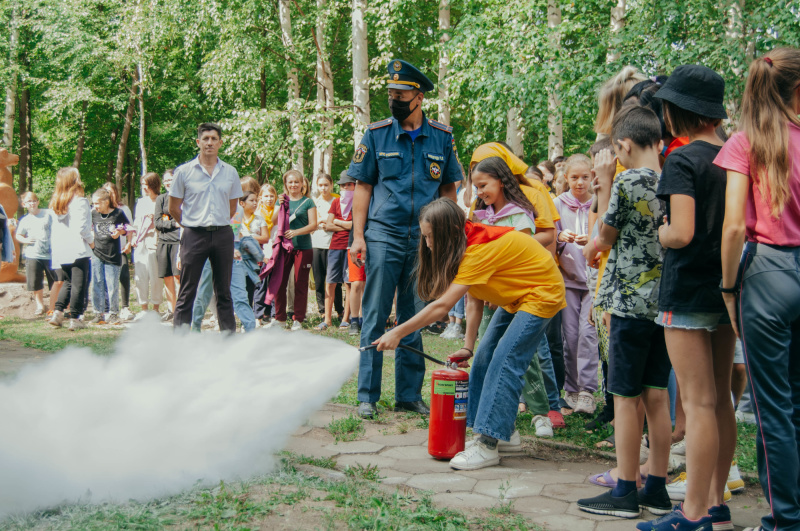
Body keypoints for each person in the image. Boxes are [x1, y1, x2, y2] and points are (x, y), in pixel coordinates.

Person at [619, 65, 736, 531]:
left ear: (674, 111)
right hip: (726, 289)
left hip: (686, 293)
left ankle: (691, 514)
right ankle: (717, 504)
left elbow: (681, 232)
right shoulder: (735, 155)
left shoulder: (683, 162)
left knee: (699, 402)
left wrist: (662, 230)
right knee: (722, 400)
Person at [373, 198, 565, 470]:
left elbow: (442, 307)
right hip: (518, 295)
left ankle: (488, 444)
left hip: (542, 292)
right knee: (485, 358)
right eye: (425, 237)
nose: (427, 244)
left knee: (505, 361)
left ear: (450, 229)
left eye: (431, 237)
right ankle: (504, 433)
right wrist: (469, 346)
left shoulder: (477, 250)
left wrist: (398, 333)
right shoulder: (465, 244)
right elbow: (474, 299)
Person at [348, 59, 462, 419]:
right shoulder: (376, 133)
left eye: (400, 93)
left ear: (419, 96)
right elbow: (362, 187)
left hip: (424, 240)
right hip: (383, 234)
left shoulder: (442, 137)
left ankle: (408, 395)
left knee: (415, 315)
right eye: (390, 94)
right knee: (376, 313)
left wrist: (446, 237)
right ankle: (367, 395)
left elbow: (448, 190)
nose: (393, 99)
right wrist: (358, 236)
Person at [716, 47, 800, 531]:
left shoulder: (747, 143)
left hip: (768, 273)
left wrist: (729, 289)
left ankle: (784, 521)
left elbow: (732, 228)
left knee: (774, 410)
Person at [577, 105, 671, 520]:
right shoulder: (670, 178)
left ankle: (625, 490)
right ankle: (657, 487)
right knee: (656, 393)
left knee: (624, 395)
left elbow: (605, 235)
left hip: (629, 304)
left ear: (624, 146)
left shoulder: (628, 179)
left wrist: (590, 245)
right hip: (661, 302)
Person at [469, 155, 557, 439]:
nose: (480, 193)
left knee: (518, 359)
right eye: (476, 188)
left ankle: (539, 413)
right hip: (501, 298)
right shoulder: (480, 215)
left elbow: (511, 260)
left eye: (484, 185)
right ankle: (474, 423)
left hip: (529, 295)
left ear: (501, 180)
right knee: (485, 356)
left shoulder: (519, 215)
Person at [169, 122, 243, 332]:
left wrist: (217, 223)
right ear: (198, 142)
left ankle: (228, 338)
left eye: (213, 139)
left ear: (220, 143)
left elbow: (232, 207)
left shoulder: (230, 172)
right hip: (194, 234)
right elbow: (173, 207)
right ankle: (180, 339)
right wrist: (191, 225)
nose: (209, 143)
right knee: (187, 290)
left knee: (224, 291)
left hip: (222, 234)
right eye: (205, 139)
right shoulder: (183, 172)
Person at [554, 154, 600, 414]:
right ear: (566, 178)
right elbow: (551, 236)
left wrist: (592, 242)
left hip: (592, 282)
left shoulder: (598, 203)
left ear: (593, 176)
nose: (580, 182)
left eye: (585, 177)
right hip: (568, 281)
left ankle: (587, 391)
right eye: (574, 177)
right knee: (569, 336)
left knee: (588, 334)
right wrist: (561, 236)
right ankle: (571, 390)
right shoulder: (558, 204)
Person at [264, 170, 317, 331]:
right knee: (279, 282)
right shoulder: (282, 201)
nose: (293, 185)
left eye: (296, 182)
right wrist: (279, 205)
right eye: (290, 182)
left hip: (303, 248)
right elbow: (272, 221)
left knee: (300, 283)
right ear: (285, 184)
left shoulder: (308, 202)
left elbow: (313, 225)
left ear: (302, 184)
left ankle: (298, 319)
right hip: (284, 249)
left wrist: (296, 232)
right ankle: (279, 318)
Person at [48, 167, 94, 331]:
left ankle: (58, 313)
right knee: (78, 285)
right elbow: (82, 228)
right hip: (77, 248)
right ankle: (75, 318)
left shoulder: (56, 202)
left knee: (67, 282)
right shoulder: (80, 201)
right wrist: (91, 241)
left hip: (62, 249)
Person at [317, 171, 355, 331]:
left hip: (350, 246)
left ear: (355, 186)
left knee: (348, 283)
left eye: (349, 184)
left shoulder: (358, 202)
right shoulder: (336, 202)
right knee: (330, 282)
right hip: (334, 247)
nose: (346, 187)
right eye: (343, 185)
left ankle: (346, 319)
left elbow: (354, 225)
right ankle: (327, 319)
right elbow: (328, 225)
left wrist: (337, 222)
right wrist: (345, 224)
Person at [16, 192, 62, 316]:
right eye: (29, 201)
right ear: (24, 204)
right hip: (33, 255)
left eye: (34, 200)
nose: (32, 203)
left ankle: (55, 306)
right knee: (35, 282)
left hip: (51, 254)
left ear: (38, 202)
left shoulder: (48, 214)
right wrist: (25, 240)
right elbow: (18, 235)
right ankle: (40, 305)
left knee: (56, 281)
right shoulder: (25, 220)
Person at [89, 188, 129, 325]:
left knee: (112, 285)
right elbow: (87, 228)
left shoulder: (118, 213)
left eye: (97, 203)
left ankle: (113, 314)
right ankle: (98, 314)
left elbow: (128, 228)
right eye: (93, 203)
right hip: (97, 254)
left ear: (106, 202)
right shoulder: (93, 214)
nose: (95, 206)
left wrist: (119, 232)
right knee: (97, 283)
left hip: (112, 254)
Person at [311, 173, 343, 321]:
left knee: (334, 279)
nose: (323, 188)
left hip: (333, 243)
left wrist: (326, 221)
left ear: (331, 185)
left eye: (326, 185)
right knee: (319, 279)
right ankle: (323, 310)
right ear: (317, 186)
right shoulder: (314, 202)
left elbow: (339, 220)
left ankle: (339, 309)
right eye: (320, 185)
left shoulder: (337, 200)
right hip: (317, 243)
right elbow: (312, 223)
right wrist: (321, 222)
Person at [132, 172, 164, 319]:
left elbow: (165, 221)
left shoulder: (162, 200)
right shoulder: (141, 202)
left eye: (146, 184)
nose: (144, 188)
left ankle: (156, 308)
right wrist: (133, 238)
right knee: (140, 275)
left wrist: (154, 221)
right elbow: (137, 223)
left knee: (156, 276)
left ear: (153, 185)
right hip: (140, 243)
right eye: (142, 185)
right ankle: (143, 308)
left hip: (154, 242)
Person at [102, 183, 134, 320]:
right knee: (106, 279)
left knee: (124, 275)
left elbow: (130, 227)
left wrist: (129, 244)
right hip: (104, 250)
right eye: (106, 192)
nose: (109, 195)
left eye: (111, 192)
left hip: (120, 248)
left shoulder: (123, 209)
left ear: (116, 193)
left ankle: (125, 307)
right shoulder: (99, 210)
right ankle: (107, 308)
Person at [154, 169, 181, 317]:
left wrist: (172, 223)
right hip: (163, 242)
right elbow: (157, 223)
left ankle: (182, 309)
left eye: (170, 180)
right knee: (167, 277)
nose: (168, 183)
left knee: (178, 277)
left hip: (179, 242)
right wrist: (173, 223)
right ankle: (171, 309)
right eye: (165, 180)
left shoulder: (183, 197)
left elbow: (184, 220)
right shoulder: (161, 199)